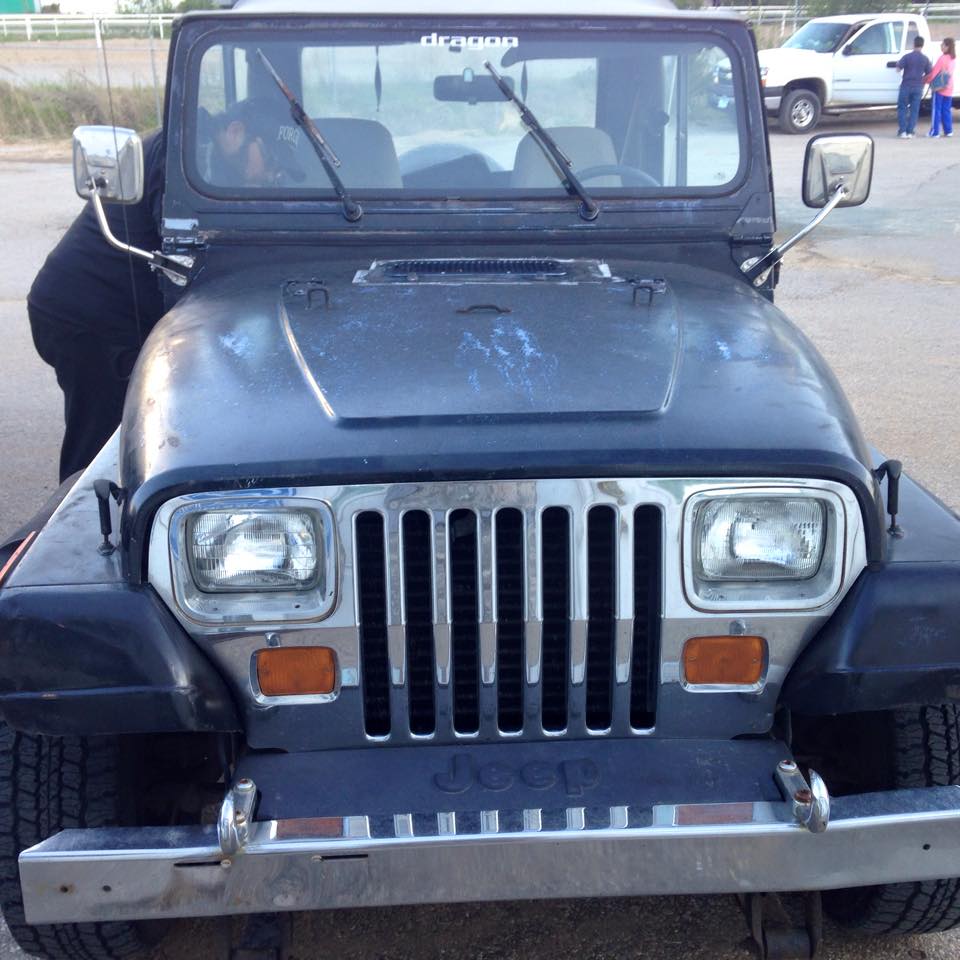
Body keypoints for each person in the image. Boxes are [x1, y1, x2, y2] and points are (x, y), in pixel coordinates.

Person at [27, 130, 167, 483]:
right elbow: (182, 255)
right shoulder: (178, 155)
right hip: (84, 316)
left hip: (104, 310)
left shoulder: (189, 146)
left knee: (135, 436)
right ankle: (80, 530)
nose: (267, 175)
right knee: (98, 450)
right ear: (236, 132)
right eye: (266, 163)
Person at [895, 36, 931, 139]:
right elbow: (929, 73)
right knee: (914, 110)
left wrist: (898, 64)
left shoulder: (907, 57)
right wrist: (923, 81)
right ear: (922, 45)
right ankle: (910, 132)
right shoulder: (925, 59)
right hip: (918, 87)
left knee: (902, 108)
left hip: (906, 85)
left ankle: (902, 131)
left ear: (913, 44)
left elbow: (898, 69)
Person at [925, 38, 956, 138]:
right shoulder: (953, 58)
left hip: (939, 87)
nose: (941, 46)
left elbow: (934, 73)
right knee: (946, 110)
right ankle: (948, 130)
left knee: (936, 110)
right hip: (949, 87)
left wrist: (925, 80)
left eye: (942, 44)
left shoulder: (942, 58)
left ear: (947, 46)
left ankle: (935, 132)